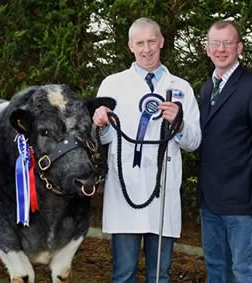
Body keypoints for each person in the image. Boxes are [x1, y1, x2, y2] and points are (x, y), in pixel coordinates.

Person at [92, 17, 201, 283]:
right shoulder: (112, 84)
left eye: (152, 41)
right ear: (130, 46)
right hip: (125, 193)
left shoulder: (181, 88)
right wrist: (102, 125)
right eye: (140, 43)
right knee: (124, 274)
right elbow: (103, 141)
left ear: (162, 41)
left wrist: (178, 122)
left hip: (162, 194)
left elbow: (194, 142)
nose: (147, 49)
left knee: (159, 276)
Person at [198, 20, 252, 282]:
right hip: (209, 200)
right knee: (215, 268)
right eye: (215, 43)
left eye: (227, 43)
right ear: (207, 48)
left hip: (242, 200)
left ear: (239, 47)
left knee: (244, 270)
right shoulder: (206, 88)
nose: (220, 49)